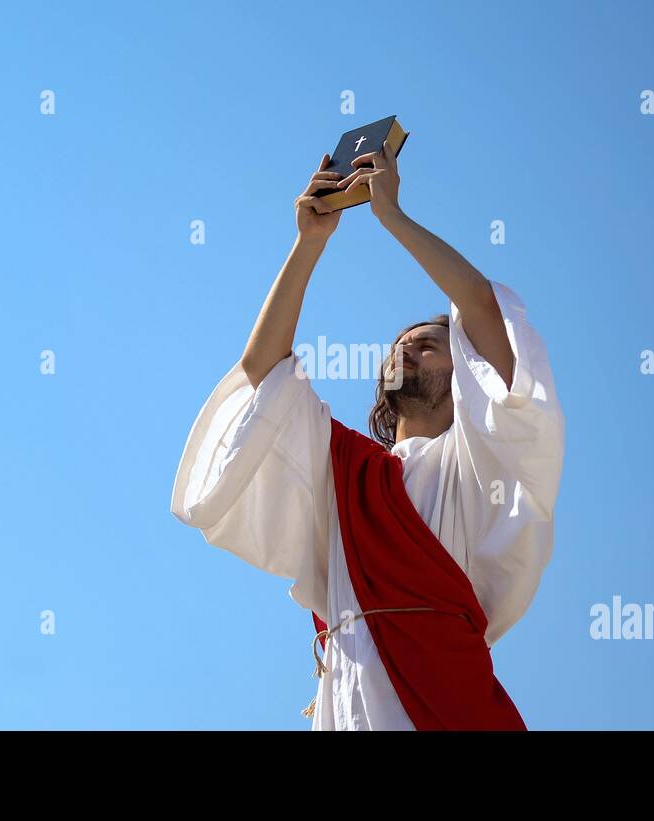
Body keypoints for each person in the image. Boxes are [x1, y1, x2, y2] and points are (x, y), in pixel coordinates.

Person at [170, 138, 565, 730]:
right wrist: (309, 243)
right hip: (350, 701)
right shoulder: (344, 473)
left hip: (447, 698)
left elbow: (480, 306)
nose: (408, 344)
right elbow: (263, 374)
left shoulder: (477, 465)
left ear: (469, 381)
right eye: (400, 344)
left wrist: (391, 216)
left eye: (429, 344)